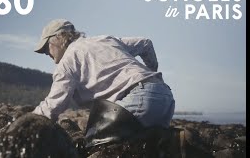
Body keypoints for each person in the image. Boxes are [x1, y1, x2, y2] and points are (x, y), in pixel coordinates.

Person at [32, 19, 175, 129]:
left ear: (59, 37)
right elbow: (146, 43)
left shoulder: (68, 61)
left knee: (96, 142)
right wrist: (151, 76)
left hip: (139, 100)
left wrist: (28, 121)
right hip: (166, 98)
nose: (46, 53)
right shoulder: (105, 39)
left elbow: (53, 105)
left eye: (46, 47)